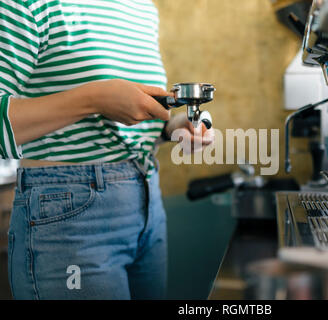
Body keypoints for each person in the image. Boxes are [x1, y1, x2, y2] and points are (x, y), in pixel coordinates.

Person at [1, 0, 213, 299]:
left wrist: (172, 128)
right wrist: (94, 98)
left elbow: (130, 120)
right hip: (69, 218)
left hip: (148, 202)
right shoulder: (29, 5)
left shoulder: (141, 8)